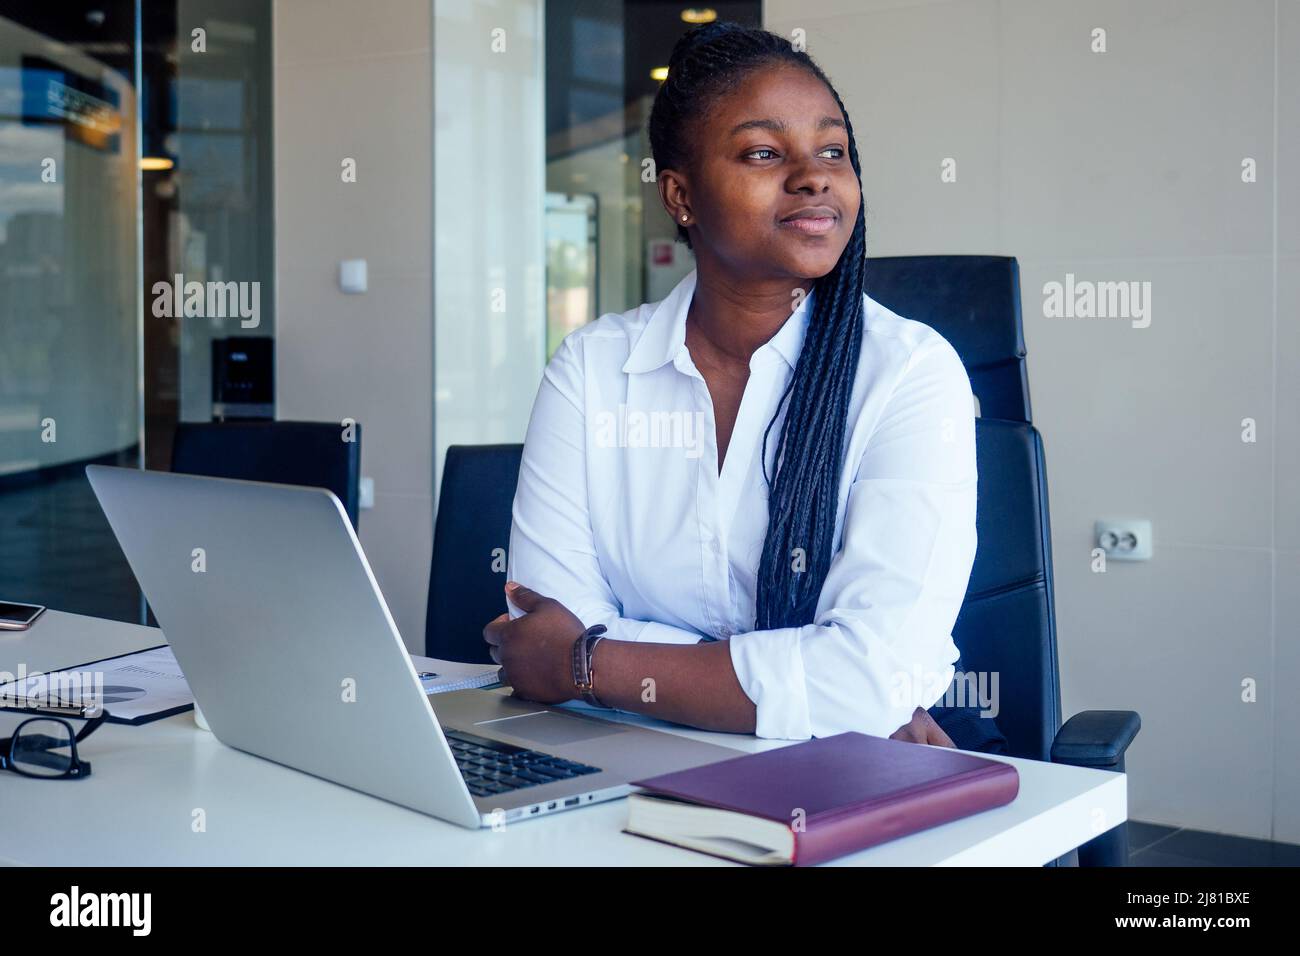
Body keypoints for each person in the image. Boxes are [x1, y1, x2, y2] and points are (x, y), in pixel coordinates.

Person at [483, 21, 1005, 754]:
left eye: (833, 151)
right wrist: (803, 682)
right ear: (681, 195)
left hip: (840, 772)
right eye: (764, 152)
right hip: (628, 759)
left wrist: (589, 663)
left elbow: (866, 677)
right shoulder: (591, 370)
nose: (814, 175)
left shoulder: (911, 373)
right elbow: (547, 626)